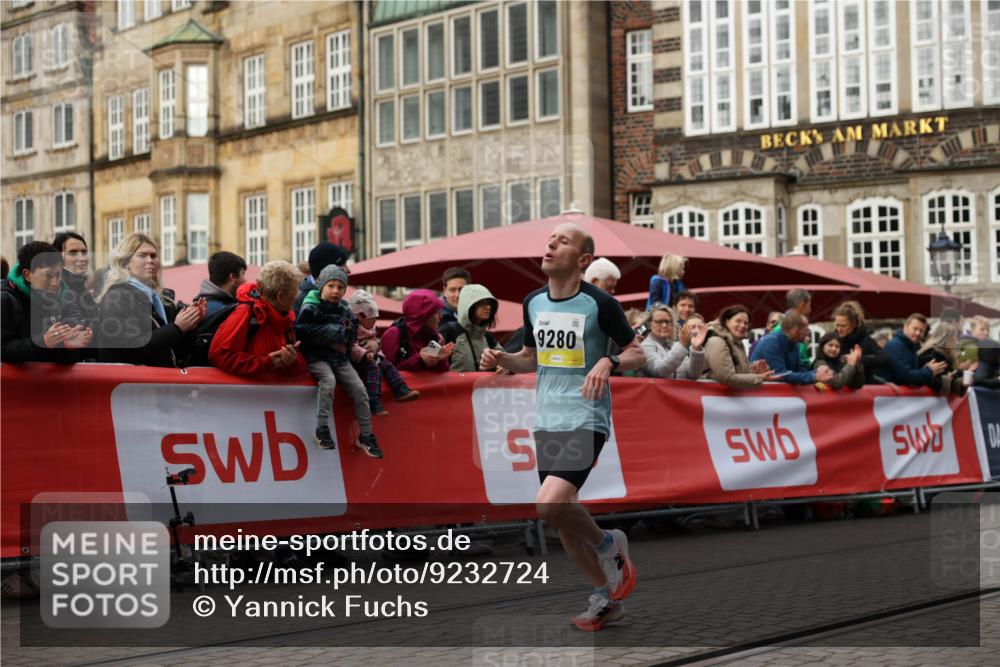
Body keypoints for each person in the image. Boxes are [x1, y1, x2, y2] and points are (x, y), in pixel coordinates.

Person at [481, 222, 644, 632]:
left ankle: (610, 545)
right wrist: (502, 358)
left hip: (585, 416)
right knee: (561, 516)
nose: (551, 244)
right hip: (546, 419)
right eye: (550, 239)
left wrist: (609, 361)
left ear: (583, 259)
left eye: (563, 241)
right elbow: (531, 358)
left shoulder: (599, 303)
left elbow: (636, 352)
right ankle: (606, 599)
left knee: (549, 504)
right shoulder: (533, 302)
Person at [295, 265, 382, 458]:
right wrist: (333, 338)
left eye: (340, 287)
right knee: (328, 381)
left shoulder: (344, 310)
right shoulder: (310, 307)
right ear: (321, 286)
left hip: (340, 358)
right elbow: (302, 331)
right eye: (331, 286)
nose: (335, 291)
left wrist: (344, 339)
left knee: (360, 389)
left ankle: (366, 435)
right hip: (316, 356)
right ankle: (322, 429)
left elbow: (350, 331)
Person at [97, 234, 203, 366]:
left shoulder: (161, 299)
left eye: (153, 255)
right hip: (130, 383)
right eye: (142, 255)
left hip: (159, 381)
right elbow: (130, 349)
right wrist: (177, 328)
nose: (150, 260)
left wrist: (190, 324)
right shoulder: (117, 297)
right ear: (126, 263)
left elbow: (176, 351)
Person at [208, 260, 306, 378]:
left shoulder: (286, 318)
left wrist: (292, 361)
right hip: (246, 396)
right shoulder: (246, 313)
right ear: (281, 296)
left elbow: (300, 368)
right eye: (296, 291)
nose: (297, 296)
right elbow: (218, 355)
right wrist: (266, 362)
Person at [2, 241, 92, 363]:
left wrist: (68, 347)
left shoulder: (66, 298)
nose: (55, 283)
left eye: (59, 275)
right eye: (48, 276)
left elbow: (70, 359)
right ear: (27, 275)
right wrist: (42, 342)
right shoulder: (6, 300)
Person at [347, 289, 420, 416]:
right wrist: (364, 354)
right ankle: (373, 401)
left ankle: (401, 389)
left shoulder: (368, 328)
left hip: (370, 356)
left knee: (387, 364)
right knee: (374, 370)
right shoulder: (351, 328)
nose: (375, 321)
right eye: (372, 318)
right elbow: (351, 346)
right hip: (358, 360)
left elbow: (374, 342)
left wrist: (376, 348)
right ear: (361, 317)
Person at [704, 305, 777, 389]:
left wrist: (754, 372)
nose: (743, 325)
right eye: (738, 321)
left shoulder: (737, 343)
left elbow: (738, 373)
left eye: (746, 323)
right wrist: (760, 377)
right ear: (727, 322)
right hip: (714, 397)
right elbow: (727, 378)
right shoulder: (717, 341)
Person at [381, 288, 455, 372]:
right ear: (424, 315)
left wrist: (440, 359)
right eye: (436, 312)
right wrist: (420, 360)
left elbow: (441, 374)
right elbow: (387, 372)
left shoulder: (435, 335)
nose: (441, 317)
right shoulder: (394, 334)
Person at [750, 312, 833, 385]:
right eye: (806, 330)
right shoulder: (770, 343)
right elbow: (781, 374)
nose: (808, 334)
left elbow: (801, 371)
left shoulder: (795, 344)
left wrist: (820, 372)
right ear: (796, 331)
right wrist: (815, 376)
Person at [440, 283, 506, 373]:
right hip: (451, 387)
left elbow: (506, 360)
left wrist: (506, 367)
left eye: (489, 303)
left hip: (481, 386)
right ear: (468, 305)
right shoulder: (449, 331)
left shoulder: (487, 337)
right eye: (482, 303)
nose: (488, 307)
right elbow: (431, 361)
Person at [883, 313, 952, 391]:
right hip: (892, 399)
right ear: (905, 327)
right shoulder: (895, 346)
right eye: (915, 329)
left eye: (921, 331)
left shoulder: (911, 346)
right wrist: (929, 371)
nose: (918, 333)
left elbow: (910, 374)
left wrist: (926, 370)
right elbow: (906, 377)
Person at [833, 301, 892, 384]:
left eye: (843, 326)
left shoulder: (865, 341)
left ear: (854, 324)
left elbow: (885, 359)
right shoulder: (832, 339)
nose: (839, 329)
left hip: (862, 389)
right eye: (837, 325)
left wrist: (858, 360)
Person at [641, 305, 707, 379]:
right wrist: (682, 345)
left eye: (667, 321)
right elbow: (659, 371)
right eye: (659, 321)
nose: (664, 325)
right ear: (649, 324)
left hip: (681, 389)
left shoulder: (674, 345)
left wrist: (696, 349)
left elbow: (693, 375)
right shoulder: (645, 346)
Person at [52, 231, 99, 332]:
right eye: (73, 253)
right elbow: (80, 330)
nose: (82, 258)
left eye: (84, 252)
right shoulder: (60, 288)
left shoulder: (80, 286)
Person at [293, 242, 348, 315]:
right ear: (327, 270)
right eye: (343, 265)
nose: (348, 270)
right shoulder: (302, 303)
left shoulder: (335, 299)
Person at [195, 251, 247, 316]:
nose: (245, 281)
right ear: (232, 276)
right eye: (243, 274)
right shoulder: (226, 312)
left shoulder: (200, 307)